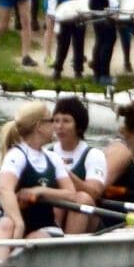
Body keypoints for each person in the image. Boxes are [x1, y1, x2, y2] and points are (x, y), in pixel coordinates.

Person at [0, 100, 61, 256]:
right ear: (39, 126)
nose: (55, 126)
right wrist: (19, 223)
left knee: (32, 237)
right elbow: (4, 189)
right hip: (16, 226)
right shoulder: (17, 155)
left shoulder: (53, 158)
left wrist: (40, 191)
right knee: (5, 223)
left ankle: (4, 266)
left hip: (45, 226)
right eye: (51, 120)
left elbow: (72, 194)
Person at [45, 95, 106, 233]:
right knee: (57, 196)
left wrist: (65, 175)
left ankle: (68, 246)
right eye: (56, 121)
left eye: (66, 121)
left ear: (79, 126)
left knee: (82, 198)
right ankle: (50, 236)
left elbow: (95, 193)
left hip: (88, 217)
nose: (60, 127)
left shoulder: (93, 155)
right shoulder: (47, 153)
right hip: (56, 210)